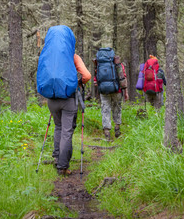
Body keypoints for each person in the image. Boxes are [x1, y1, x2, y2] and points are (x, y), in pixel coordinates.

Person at [44, 26, 91, 176]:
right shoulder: (73, 56)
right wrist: (78, 82)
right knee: (66, 131)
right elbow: (87, 76)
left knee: (58, 128)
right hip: (68, 99)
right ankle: (62, 166)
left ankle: (57, 158)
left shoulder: (46, 55)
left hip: (52, 99)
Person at [94, 54, 129, 141]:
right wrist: (125, 92)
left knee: (105, 109)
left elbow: (96, 80)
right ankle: (117, 128)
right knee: (117, 108)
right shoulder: (117, 64)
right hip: (117, 90)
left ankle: (107, 133)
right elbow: (123, 76)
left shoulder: (99, 64)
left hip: (104, 91)